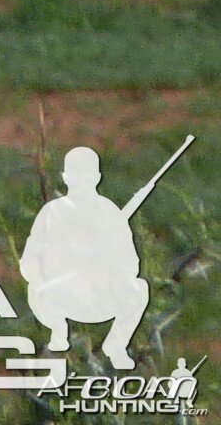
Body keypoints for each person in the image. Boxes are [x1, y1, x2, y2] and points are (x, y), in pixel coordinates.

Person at [23, 148, 153, 369]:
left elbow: (131, 265)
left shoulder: (110, 213)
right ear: (66, 178)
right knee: (36, 289)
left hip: (100, 296)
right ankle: (58, 331)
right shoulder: (52, 213)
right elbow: (29, 263)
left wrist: (104, 262)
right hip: (61, 296)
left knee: (139, 289)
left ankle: (116, 345)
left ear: (96, 179)